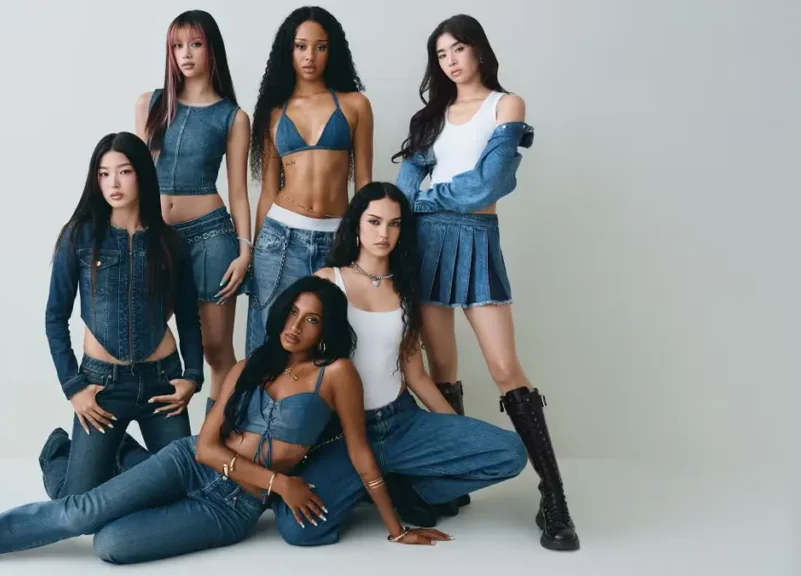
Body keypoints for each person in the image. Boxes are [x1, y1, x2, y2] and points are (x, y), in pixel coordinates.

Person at [0, 276, 447, 565]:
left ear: (326, 329)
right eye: (291, 313)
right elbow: (209, 448)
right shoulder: (246, 366)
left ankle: (73, 460)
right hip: (190, 463)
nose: (296, 326)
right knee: (80, 513)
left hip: (233, 507)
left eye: (312, 320)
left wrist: (396, 530)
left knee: (111, 546)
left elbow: (359, 452)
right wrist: (281, 481)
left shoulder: (337, 374)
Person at [393, 14, 579, 551]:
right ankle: (458, 479)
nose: (451, 60)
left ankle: (555, 498)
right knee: (442, 370)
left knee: (503, 366)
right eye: (442, 53)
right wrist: (418, 202)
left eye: (459, 48)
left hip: (475, 239)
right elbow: (404, 188)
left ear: (478, 51)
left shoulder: (507, 105)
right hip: (424, 245)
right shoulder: (429, 118)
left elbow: (492, 182)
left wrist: (428, 198)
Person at [273, 182, 528, 547]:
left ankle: (403, 486)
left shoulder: (406, 290)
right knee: (299, 531)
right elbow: (297, 362)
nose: (384, 233)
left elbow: (417, 376)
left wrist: (457, 430)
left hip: (400, 422)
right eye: (375, 222)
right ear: (356, 225)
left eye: (394, 224)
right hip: (344, 433)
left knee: (510, 453)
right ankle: (368, 482)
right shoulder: (328, 281)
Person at [36, 132, 203, 500]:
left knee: (184, 494)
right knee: (74, 503)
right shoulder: (78, 237)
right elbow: (54, 318)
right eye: (103, 173)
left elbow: (190, 317)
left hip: (162, 383)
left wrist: (192, 376)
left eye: (124, 171)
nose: (113, 183)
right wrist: (73, 388)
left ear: (141, 174)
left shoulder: (169, 242)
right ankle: (59, 451)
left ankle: (121, 452)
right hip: (102, 386)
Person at [135, 10, 252, 411]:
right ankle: (163, 436)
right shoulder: (149, 104)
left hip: (212, 239)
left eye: (195, 44)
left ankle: (216, 444)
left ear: (211, 49)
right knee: (144, 332)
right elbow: (136, 178)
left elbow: (238, 190)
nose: (185, 54)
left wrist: (245, 249)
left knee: (217, 351)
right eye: (177, 45)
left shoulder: (232, 117)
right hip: (158, 237)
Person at [245, 5, 374, 357]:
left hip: (337, 240)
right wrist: (256, 253)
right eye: (301, 46)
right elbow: (268, 190)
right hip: (279, 238)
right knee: (268, 339)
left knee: (331, 347)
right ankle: (254, 413)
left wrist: (363, 249)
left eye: (320, 46)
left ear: (332, 51)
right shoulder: (274, 110)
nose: (310, 56)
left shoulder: (356, 105)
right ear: (289, 50)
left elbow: (364, 183)